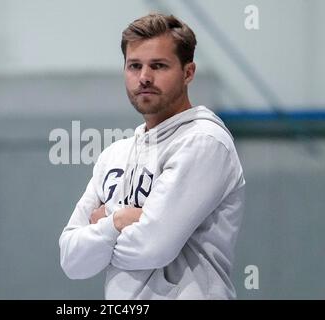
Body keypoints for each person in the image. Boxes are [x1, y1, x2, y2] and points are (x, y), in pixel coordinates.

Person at [59, 13, 246, 299]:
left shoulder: (204, 142)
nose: (144, 77)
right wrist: (119, 221)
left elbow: (152, 247)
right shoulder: (114, 155)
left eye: (158, 65)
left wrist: (102, 229)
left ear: (188, 72)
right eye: (135, 66)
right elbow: (72, 259)